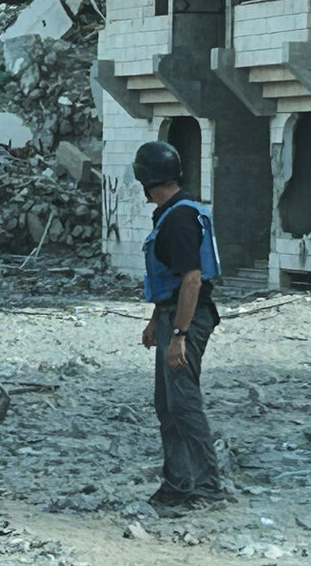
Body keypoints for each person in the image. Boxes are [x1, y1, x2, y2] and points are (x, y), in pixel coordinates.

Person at [131, 140, 235, 516]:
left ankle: (206, 484)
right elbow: (173, 281)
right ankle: (177, 482)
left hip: (187, 319)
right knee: (168, 403)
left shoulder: (177, 219)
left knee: (184, 404)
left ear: (146, 179)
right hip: (174, 315)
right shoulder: (175, 213)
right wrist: (156, 321)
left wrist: (178, 335)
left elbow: (191, 281)